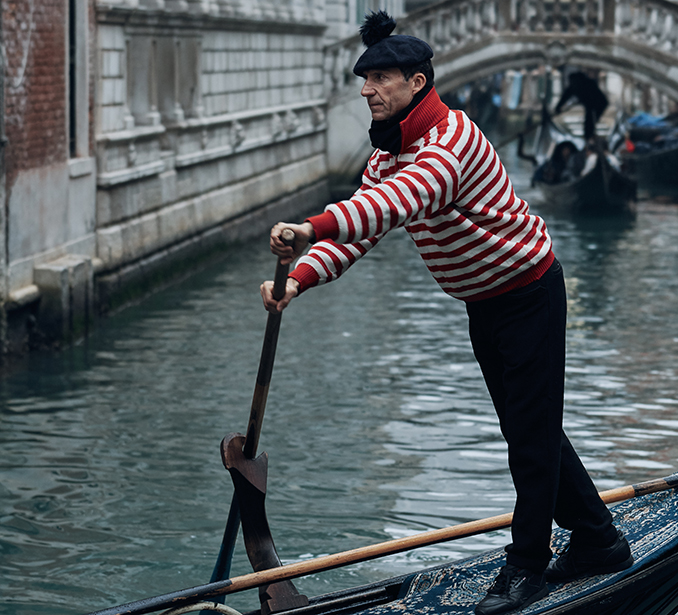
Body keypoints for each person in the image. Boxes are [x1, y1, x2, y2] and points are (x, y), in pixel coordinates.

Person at [260, 11, 632, 615]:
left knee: (529, 437)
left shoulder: (451, 140)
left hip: (529, 291)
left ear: (417, 82)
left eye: (379, 78)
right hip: (484, 303)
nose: (366, 89)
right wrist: (298, 280)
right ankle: (598, 540)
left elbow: (395, 203)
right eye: (365, 79)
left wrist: (309, 226)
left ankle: (527, 566)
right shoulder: (390, 154)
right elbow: (362, 228)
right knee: (529, 429)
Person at [554, 71, 609, 141]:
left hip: (599, 104)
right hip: (591, 105)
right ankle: (588, 136)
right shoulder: (575, 86)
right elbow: (565, 96)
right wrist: (558, 108)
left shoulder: (587, 84)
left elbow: (593, 99)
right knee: (589, 120)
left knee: (590, 120)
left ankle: (589, 136)